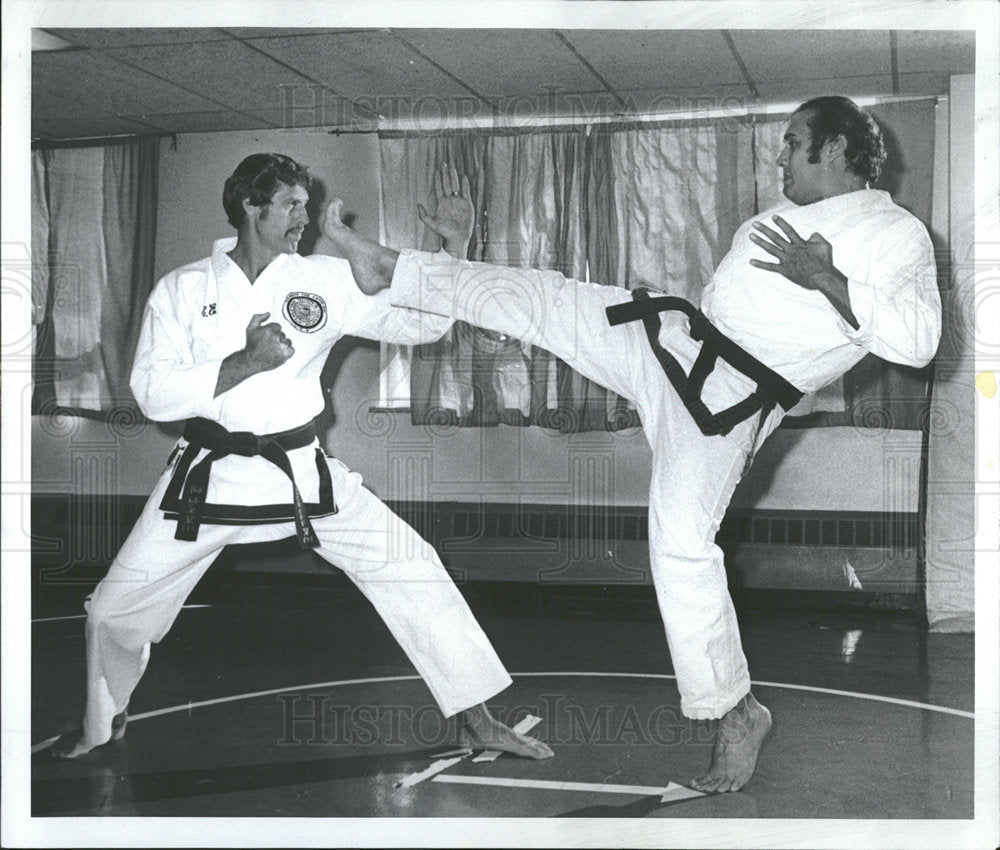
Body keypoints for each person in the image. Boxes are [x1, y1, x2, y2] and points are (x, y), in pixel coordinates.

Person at [321, 96, 943, 792]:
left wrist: (826, 277)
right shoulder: (786, 218)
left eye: (792, 144)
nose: (779, 158)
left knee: (679, 543)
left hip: (727, 404)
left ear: (834, 149)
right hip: (674, 342)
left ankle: (735, 714)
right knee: (547, 300)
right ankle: (395, 269)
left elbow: (919, 344)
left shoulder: (896, 234)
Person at [50, 153, 553, 762]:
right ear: (249, 207)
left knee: (412, 563)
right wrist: (243, 363)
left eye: (306, 205)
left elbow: (418, 326)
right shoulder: (183, 289)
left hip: (299, 470)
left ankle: (476, 718)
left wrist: (449, 250)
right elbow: (152, 394)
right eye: (291, 204)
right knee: (111, 610)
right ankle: (104, 720)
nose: (305, 218)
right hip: (207, 479)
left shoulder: (324, 279)